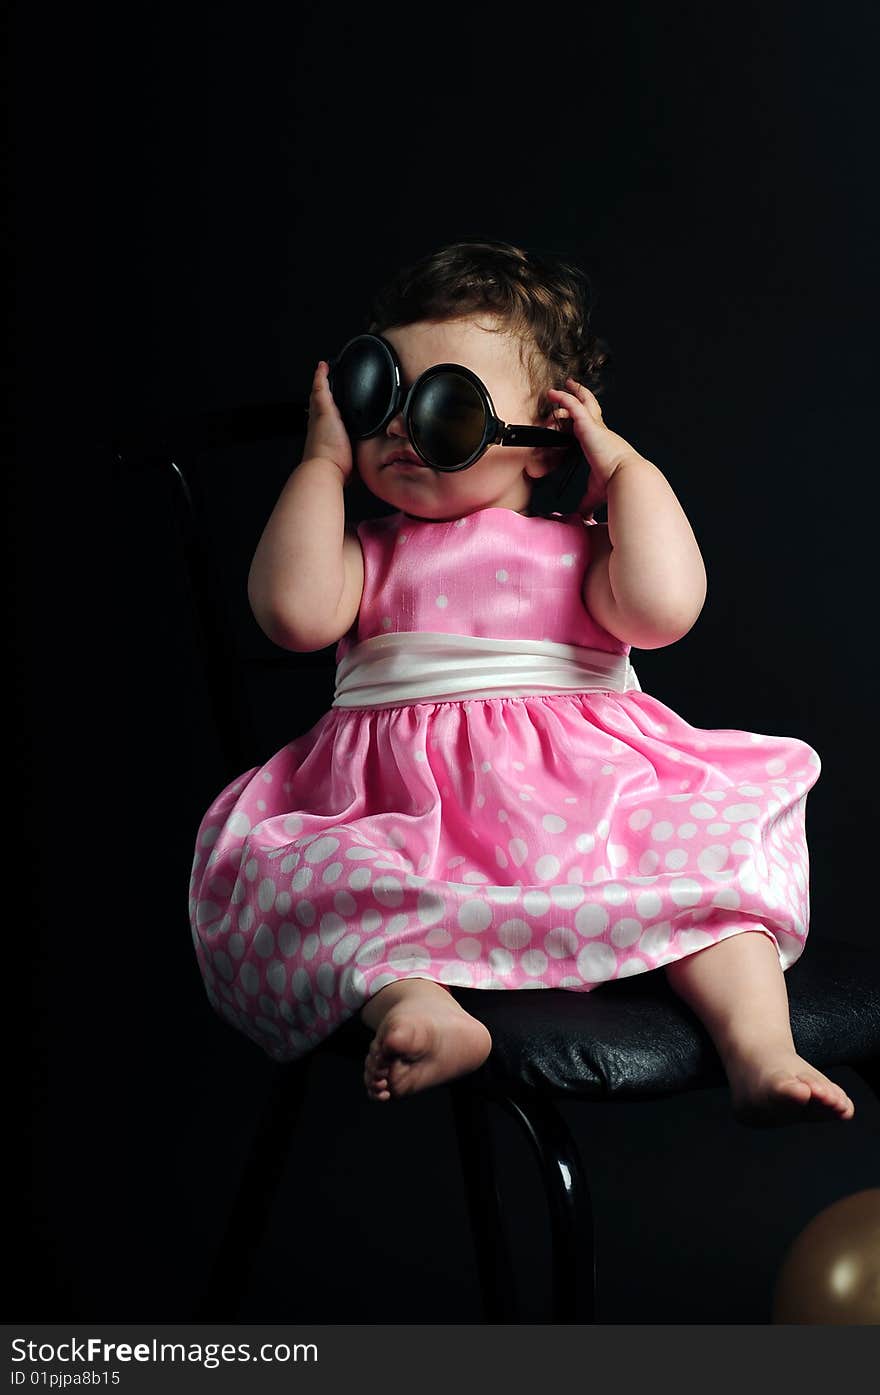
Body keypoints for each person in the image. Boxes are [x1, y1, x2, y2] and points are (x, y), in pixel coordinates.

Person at [189, 238, 854, 1127]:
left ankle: (760, 1047)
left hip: (593, 814)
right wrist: (322, 464)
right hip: (407, 822)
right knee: (318, 882)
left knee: (715, 888)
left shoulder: (581, 550)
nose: (397, 430)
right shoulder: (366, 555)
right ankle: (420, 1007)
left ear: (543, 442)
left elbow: (664, 609)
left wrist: (624, 470)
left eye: (446, 410)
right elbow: (292, 613)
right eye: (379, 396)